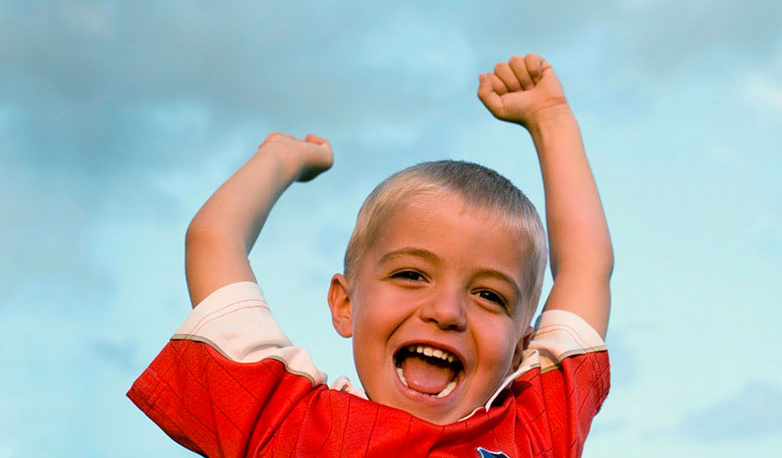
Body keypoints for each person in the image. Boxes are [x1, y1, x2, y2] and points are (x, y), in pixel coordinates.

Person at [128, 54, 613, 457]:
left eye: (489, 294)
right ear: (344, 304)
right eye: (410, 274)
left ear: (520, 352)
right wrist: (279, 160)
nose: (446, 312)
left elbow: (585, 268)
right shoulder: (285, 421)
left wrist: (551, 120)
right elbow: (214, 239)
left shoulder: (533, 432)